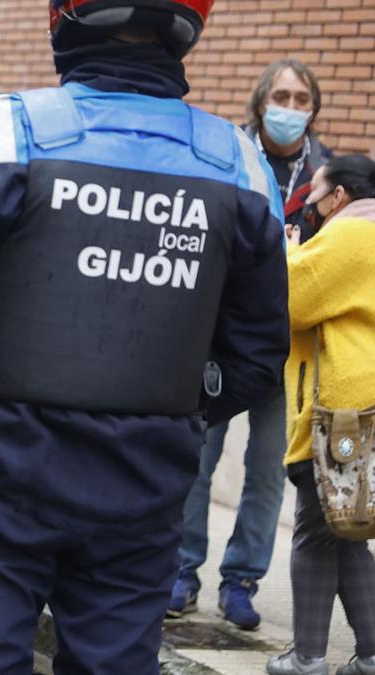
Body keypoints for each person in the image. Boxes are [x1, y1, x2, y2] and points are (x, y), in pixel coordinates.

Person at [0, 0, 291, 672]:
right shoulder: (241, 166)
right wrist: (176, 412)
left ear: (62, 17)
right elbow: (256, 352)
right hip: (147, 487)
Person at [170, 58, 333, 630]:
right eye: (281, 96)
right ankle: (181, 570)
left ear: (313, 108)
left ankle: (241, 581)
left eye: (301, 98)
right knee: (194, 457)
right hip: (215, 338)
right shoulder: (226, 155)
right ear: (260, 101)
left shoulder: (327, 174)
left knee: (267, 470)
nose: (291, 108)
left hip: (287, 345)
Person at [266, 155, 375, 675]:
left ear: (340, 197)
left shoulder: (350, 236)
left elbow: (289, 299)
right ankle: (371, 654)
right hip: (362, 403)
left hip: (342, 409)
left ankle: (307, 657)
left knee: (313, 529)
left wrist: (288, 250)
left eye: (314, 196)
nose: (308, 206)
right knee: (345, 528)